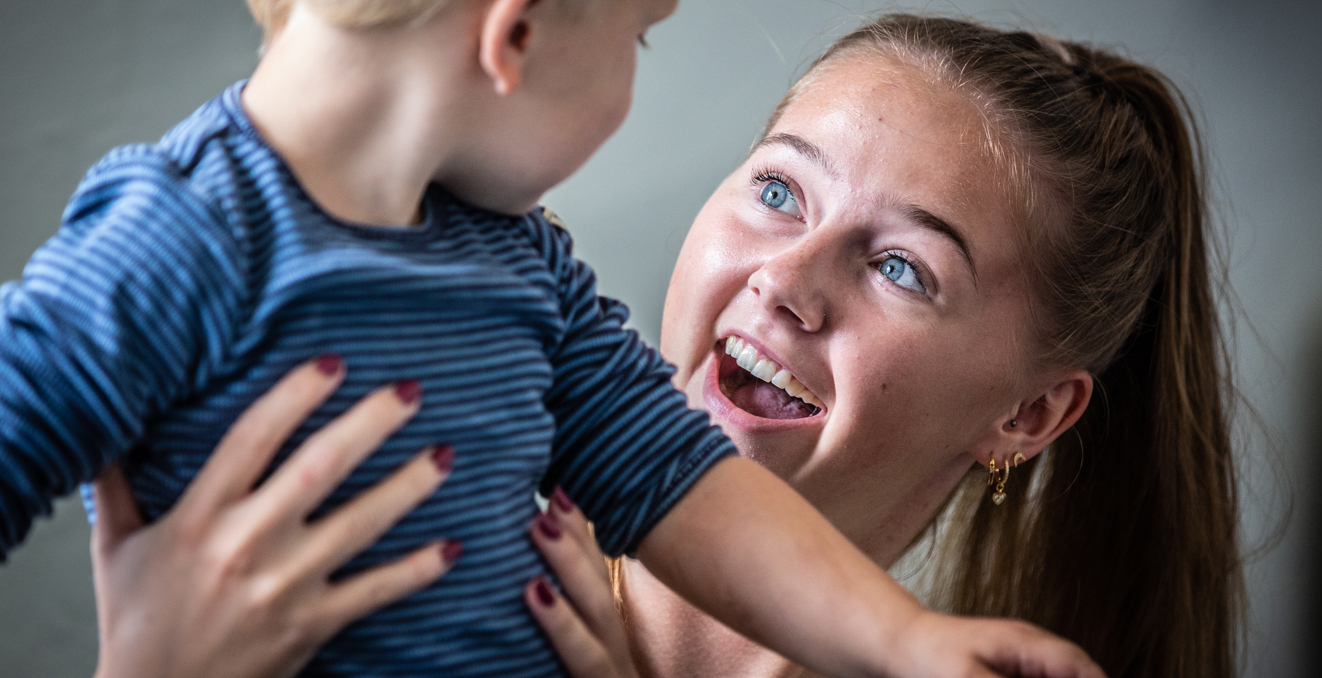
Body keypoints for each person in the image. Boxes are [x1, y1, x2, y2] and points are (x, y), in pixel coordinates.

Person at [83, 11, 1243, 678]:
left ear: (1028, 416)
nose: (784, 282)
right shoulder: (365, 517)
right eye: (779, 192)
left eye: (901, 267)